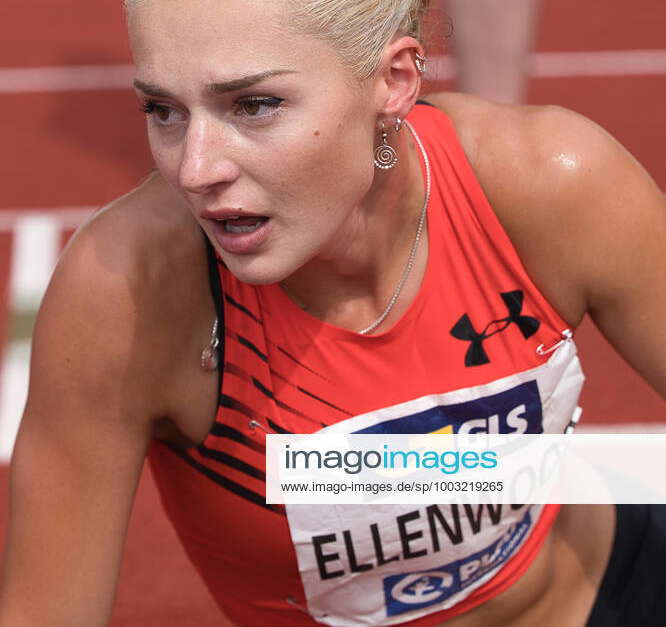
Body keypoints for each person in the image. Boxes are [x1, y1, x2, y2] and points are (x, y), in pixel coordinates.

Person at [0, 0, 664, 626]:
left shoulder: (550, 183)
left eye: (254, 104)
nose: (195, 169)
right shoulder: (129, 295)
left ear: (395, 80)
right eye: (162, 110)